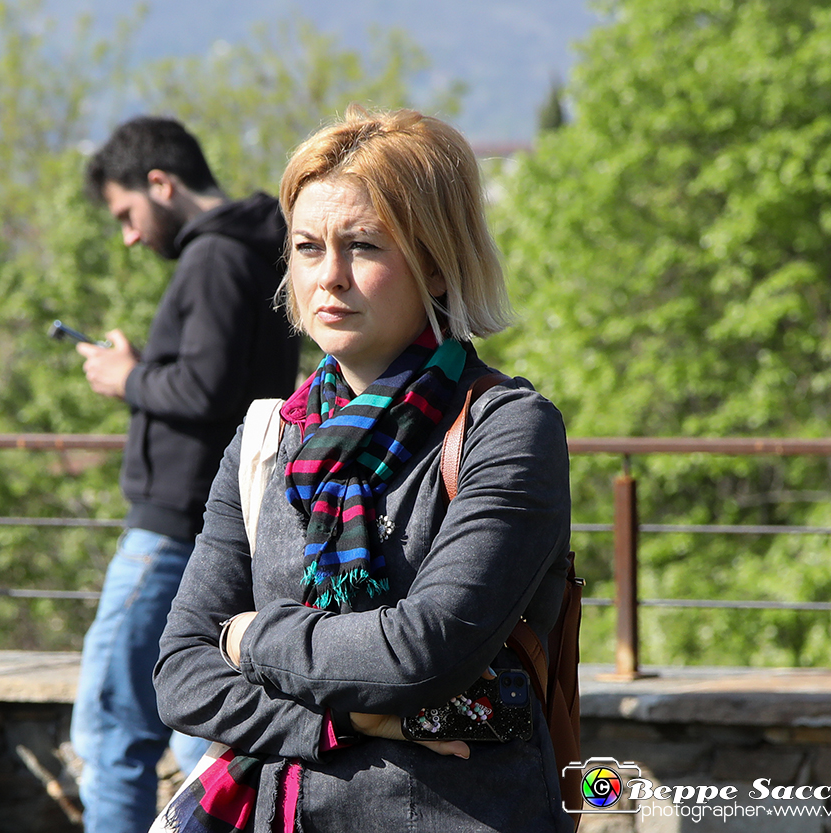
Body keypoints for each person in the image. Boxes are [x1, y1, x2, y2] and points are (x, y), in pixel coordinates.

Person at [154, 106, 574, 833]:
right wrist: (342, 723)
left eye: (365, 246)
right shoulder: (266, 438)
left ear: (438, 260)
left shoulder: (507, 429)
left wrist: (246, 638)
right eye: (309, 248)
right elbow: (180, 673)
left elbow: (421, 651)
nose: (331, 277)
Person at [70, 115, 301, 833]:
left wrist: (127, 376)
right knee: (194, 726)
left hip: (172, 530)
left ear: (161, 183)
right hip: (219, 524)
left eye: (127, 213)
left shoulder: (215, 259)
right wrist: (148, 369)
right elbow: (223, 383)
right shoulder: (257, 253)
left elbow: (205, 392)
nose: (130, 235)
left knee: (111, 730)